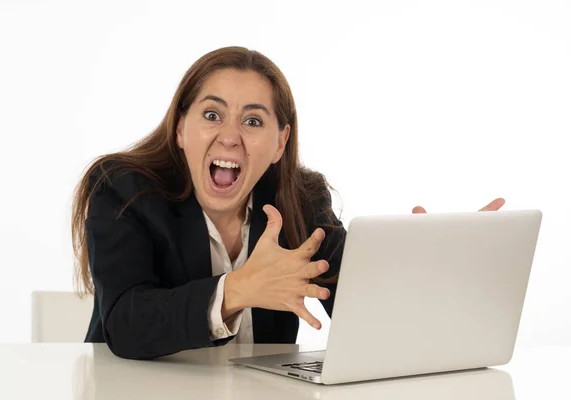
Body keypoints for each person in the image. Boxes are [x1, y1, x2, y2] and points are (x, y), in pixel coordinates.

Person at [71, 46, 504, 361]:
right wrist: (238, 290)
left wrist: (440, 268)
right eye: (211, 114)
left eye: (254, 121)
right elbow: (126, 325)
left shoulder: (302, 199)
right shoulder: (123, 189)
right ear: (180, 128)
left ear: (280, 143)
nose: (230, 136)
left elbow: (363, 312)